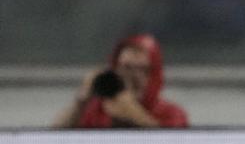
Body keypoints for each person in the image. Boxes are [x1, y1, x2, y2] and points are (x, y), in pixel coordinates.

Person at [54, 33, 189, 129]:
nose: (133, 76)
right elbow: (53, 142)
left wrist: (135, 115)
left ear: (154, 74)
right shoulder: (97, 111)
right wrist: (80, 103)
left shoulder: (171, 113)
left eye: (142, 69)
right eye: (126, 68)